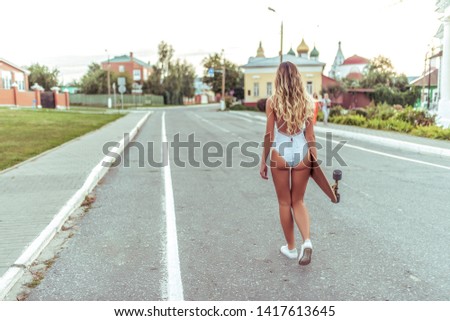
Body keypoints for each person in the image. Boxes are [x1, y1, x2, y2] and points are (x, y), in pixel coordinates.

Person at [259, 61, 317, 266]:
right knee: (298, 201)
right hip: (302, 152)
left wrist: (263, 160)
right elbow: (310, 136)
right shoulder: (309, 101)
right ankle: (307, 241)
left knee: (284, 202)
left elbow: (269, 134)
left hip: (280, 152)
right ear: (298, 78)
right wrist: (315, 161)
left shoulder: (272, 101)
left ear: (278, 79)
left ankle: (291, 248)